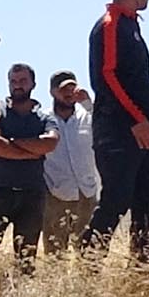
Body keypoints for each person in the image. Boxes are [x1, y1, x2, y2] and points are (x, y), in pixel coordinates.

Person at [83, 0, 149, 255]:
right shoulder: (110, 25)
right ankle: (88, 265)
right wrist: (136, 120)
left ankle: (140, 271)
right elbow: (106, 75)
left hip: (143, 129)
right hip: (119, 130)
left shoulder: (130, 25)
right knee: (116, 200)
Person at [0, 63, 55, 272]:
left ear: (33, 84)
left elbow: (50, 143)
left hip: (32, 196)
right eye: (14, 81)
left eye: (23, 81)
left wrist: (12, 143)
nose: (18, 86)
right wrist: (33, 150)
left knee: (26, 260)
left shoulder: (45, 118)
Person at [42, 71, 98, 249]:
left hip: (87, 194)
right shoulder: (44, 120)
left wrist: (88, 103)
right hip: (57, 196)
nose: (68, 93)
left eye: (72, 88)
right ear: (52, 92)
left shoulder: (87, 117)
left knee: (89, 252)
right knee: (55, 252)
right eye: (63, 89)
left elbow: (107, 129)